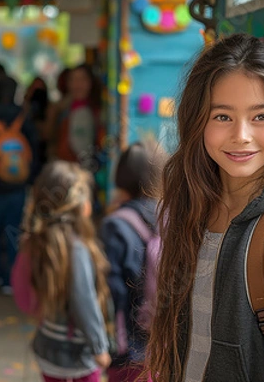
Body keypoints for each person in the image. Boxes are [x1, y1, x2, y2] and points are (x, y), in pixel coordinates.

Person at [144, 34, 264, 382]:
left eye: (261, 116)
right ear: (197, 121)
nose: (241, 135)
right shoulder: (194, 210)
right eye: (222, 117)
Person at [15, 160, 112, 382]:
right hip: (77, 356)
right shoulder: (77, 248)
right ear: (80, 205)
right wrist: (100, 348)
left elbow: (24, 296)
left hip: (47, 348)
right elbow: (84, 301)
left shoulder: (34, 242)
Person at [100, 140, 168, 381]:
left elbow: (112, 291)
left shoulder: (115, 225)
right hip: (166, 342)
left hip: (128, 346)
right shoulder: (174, 217)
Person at [0, 75, 38, 295]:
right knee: (13, 231)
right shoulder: (24, 117)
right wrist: (29, 178)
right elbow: (34, 150)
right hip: (18, 187)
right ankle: (12, 278)